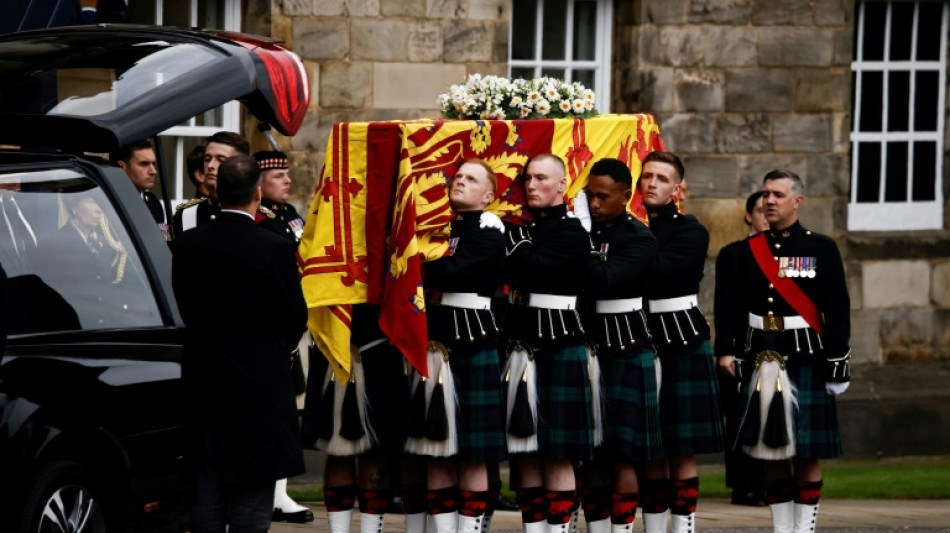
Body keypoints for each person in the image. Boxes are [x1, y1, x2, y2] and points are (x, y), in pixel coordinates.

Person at [171, 154, 307, 532]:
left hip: (204, 375)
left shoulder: (188, 245)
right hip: (259, 380)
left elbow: (183, 305)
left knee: (207, 486)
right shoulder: (275, 247)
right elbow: (295, 316)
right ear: (257, 194)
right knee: (254, 486)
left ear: (217, 192)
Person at [721, 169, 850, 533]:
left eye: (778, 194)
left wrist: (837, 363)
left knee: (806, 452)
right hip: (761, 354)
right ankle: (782, 529)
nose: (769, 201)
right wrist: (728, 351)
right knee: (770, 451)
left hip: (805, 355)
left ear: (798, 201)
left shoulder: (820, 248)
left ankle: (804, 529)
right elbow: (730, 308)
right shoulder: (746, 252)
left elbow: (837, 310)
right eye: (766, 194)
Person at [413, 158, 507, 533]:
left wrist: (423, 262)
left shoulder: (488, 232)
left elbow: (452, 271)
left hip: (472, 341)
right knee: (435, 450)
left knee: (473, 453)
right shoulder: (438, 228)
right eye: (459, 176)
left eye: (471, 179)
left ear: (487, 196)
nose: (460, 182)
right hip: (436, 342)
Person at [503, 153, 593, 533]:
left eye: (542, 178)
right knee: (525, 455)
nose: (532, 185)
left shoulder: (571, 231)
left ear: (562, 184)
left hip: (558, 345)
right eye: (528, 178)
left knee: (558, 455)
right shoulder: (528, 229)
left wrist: (517, 242)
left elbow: (531, 268)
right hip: (522, 347)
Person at [638, 151, 723, 533]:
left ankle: (683, 527)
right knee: (651, 445)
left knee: (681, 446)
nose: (652, 183)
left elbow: (656, 272)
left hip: (681, 339)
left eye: (661, 177)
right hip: (638, 336)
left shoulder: (691, 230)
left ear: (677, 188)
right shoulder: (628, 228)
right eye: (646, 176)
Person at [579, 158, 660, 533]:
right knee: (590, 455)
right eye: (589, 196)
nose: (594, 204)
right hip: (588, 345)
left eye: (602, 197)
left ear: (626, 196)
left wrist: (579, 239)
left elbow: (603, 282)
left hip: (626, 347)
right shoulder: (584, 231)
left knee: (623, 454)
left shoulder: (639, 238)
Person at [249, 149, 314, 524]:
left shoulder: (289, 215)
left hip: (293, 323)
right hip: (271, 324)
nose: (287, 180)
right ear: (258, 184)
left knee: (286, 408)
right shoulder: (260, 220)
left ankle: (279, 492)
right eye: (278, 176)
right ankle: (265, 493)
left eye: (287, 174)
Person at [714, 191, 769, 507]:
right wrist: (726, 349)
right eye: (760, 210)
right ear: (748, 216)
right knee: (741, 418)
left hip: (777, 346)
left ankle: (770, 483)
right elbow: (723, 307)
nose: (766, 215)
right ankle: (745, 485)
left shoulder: (791, 254)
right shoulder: (734, 254)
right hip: (742, 348)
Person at [173, 131, 249, 235]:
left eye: (221, 160)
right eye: (207, 159)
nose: (210, 165)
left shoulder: (259, 217)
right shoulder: (186, 216)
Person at [116, 140, 169, 240]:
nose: (153, 171)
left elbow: (165, 241)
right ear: (121, 167)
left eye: (154, 164)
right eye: (144, 164)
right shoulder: (109, 203)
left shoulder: (154, 204)